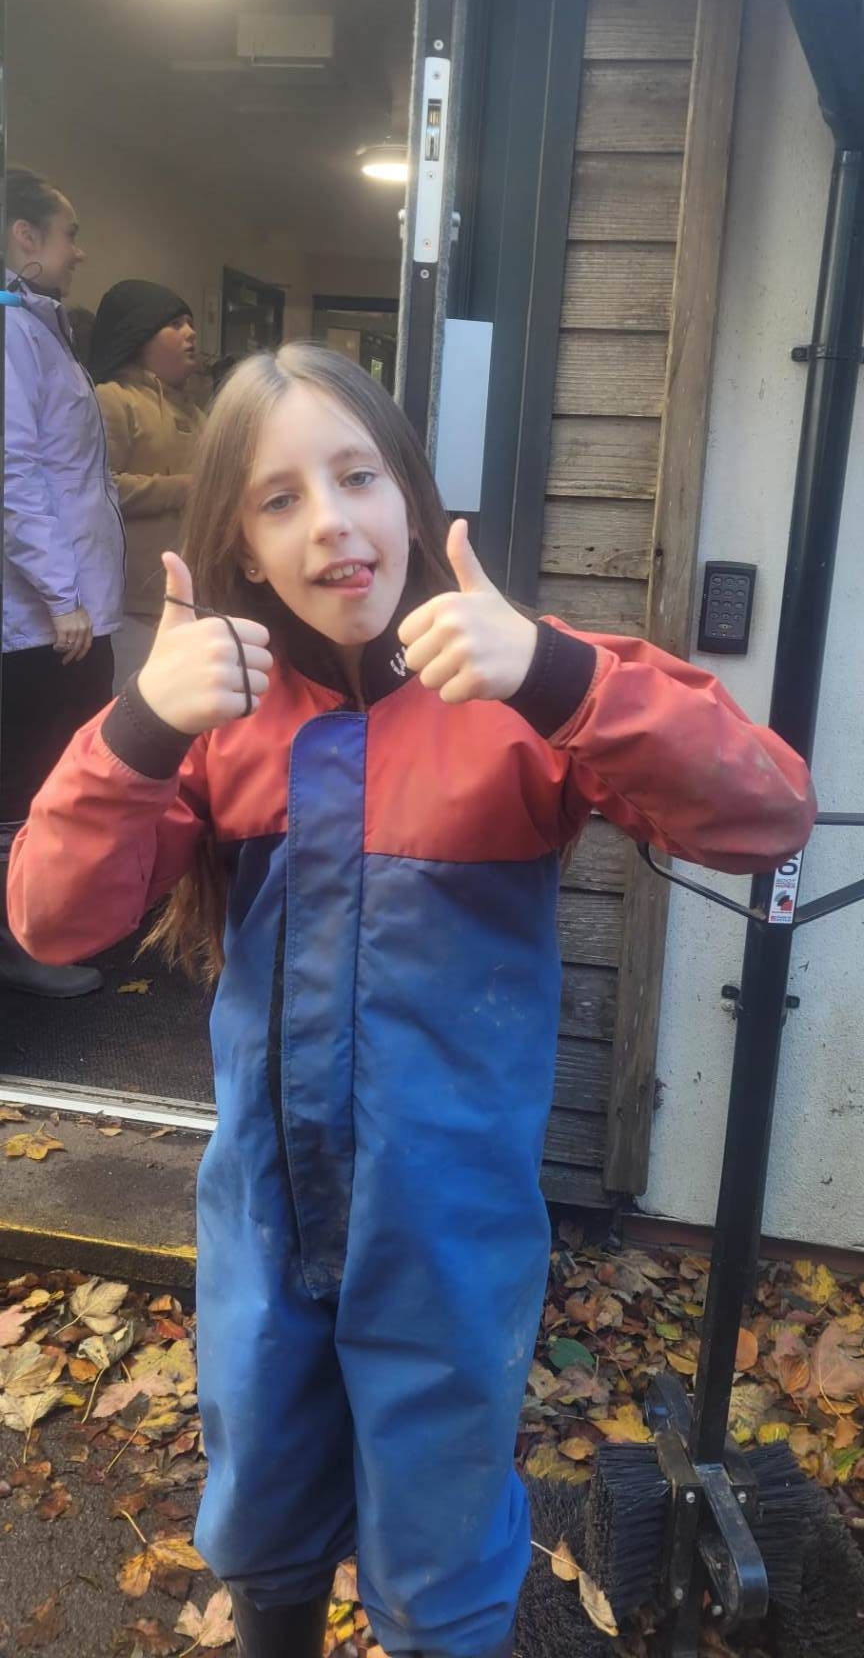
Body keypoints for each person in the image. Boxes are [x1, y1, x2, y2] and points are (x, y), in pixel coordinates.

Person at [7, 345, 816, 1658]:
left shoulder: (517, 692)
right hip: (264, 1216)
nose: (329, 521)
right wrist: (141, 727)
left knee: (440, 1548)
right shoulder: (214, 719)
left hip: (446, 1231)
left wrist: (559, 673)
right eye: (278, 499)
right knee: (263, 1507)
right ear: (241, 546)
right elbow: (51, 920)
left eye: (356, 477)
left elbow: (767, 812)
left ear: (411, 495)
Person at [1, 167, 124, 997]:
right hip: (45, 621)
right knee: (30, 782)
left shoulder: (43, 330)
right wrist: (61, 597)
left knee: (61, 776)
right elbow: (13, 472)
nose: (78, 251)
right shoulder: (12, 331)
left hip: (75, 610)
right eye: (68, 233)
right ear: (25, 235)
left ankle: (52, 926)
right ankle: (19, 945)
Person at [90, 281, 205, 687]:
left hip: (191, 595)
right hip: (133, 605)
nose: (191, 333)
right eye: (175, 324)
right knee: (137, 705)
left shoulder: (195, 412)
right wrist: (184, 488)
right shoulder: (111, 399)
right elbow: (99, 488)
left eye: (191, 322)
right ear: (140, 336)